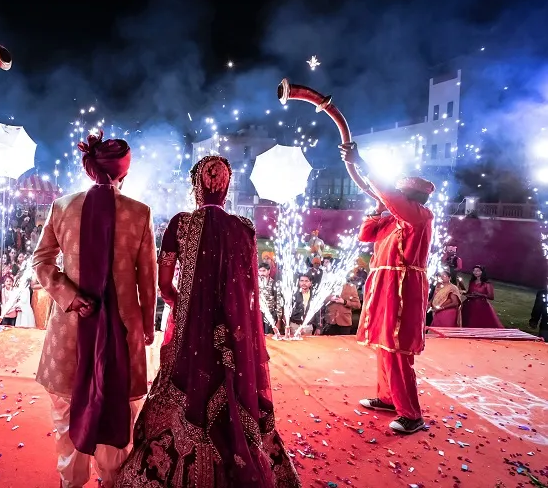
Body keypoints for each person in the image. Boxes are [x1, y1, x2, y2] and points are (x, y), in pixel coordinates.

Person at [116, 156, 300, 488]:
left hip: (191, 333)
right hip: (234, 336)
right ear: (227, 188)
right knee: (232, 388)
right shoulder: (244, 229)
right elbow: (248, 292)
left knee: (184, 388)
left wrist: (181, 304)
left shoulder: (180, 224)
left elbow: (164, 284)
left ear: (195, 186)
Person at [33, 130, 157, 488]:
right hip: (123, 332)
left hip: (69, 331)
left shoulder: (63, 206)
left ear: (90, 169)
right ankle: (112, 479)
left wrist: (69, 295)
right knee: (117, 410)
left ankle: (70, 481)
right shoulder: (140, 213)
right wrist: (147, 324)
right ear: (124, 173)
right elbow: (146, 278)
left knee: (67, 414)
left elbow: (41, 261)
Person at [341, 141, 433, 435]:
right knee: (384, 344)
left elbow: (391, 197)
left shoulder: (418, 216)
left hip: (404, 289)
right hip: (386, 286)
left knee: (397, 348)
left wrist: (363, 164)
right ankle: (387, 398)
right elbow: (366, 235)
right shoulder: (394, 220)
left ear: (413, 197)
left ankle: (411, 414)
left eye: (401, 195)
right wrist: (377, 208)